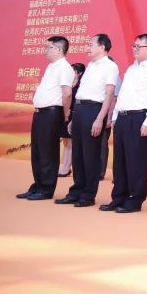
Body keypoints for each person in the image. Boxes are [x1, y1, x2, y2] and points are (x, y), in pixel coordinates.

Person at [102, 34, 147, 213]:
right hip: (122, 118)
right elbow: (122, 94)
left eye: (139, 46)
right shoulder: (131, 69)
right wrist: (115, 116)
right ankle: (118, 197)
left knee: (136, 161)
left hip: (139, 118)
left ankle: (135, 199)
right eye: (134, 46)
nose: (135, 49)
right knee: (120, 160)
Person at [56, 33, 119, 207]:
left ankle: (88, 195)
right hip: (80, 110)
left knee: (90, 155)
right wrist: (73, 118)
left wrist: (100, 119)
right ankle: (76, 191)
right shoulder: (90, 65)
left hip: (94, 110)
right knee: (77, 154)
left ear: (102, 47)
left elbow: (109, 95)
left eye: (91, 44)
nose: (87, 47)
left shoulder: (110, 66)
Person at [18, 36, 72, 201]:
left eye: (48, 47)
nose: (44, 51)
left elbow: (67, 93)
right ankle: (38, 185)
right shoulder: (51, 67)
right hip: (40, 113)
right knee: (38, 151)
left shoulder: (64, 68)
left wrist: (65, 114)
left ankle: (46, 189)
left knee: (48, 151)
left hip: (52, 113)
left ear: (58, 49)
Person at [57, 62, 84, 178]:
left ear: (79, 73)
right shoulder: (68, 85)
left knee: (70, 143)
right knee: (66, 142)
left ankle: (67, 167)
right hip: (65, 115)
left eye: (73, 71)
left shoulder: (81, 86)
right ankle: (64, 166)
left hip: (74, 115)